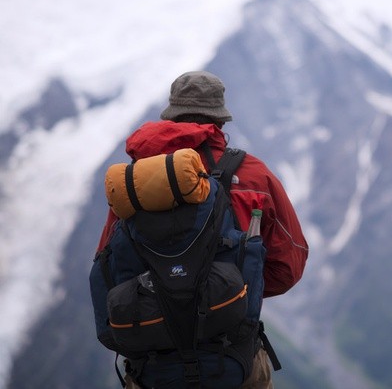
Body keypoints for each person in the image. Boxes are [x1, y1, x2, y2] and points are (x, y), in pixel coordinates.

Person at [96, 70, 309, 389]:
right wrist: (229, 293)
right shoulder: (253, 176)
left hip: (153, 367)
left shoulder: (134, 184)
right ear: (220, 121)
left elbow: (107, 269)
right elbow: (288, 266)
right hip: (235, 361)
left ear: (171, 114)